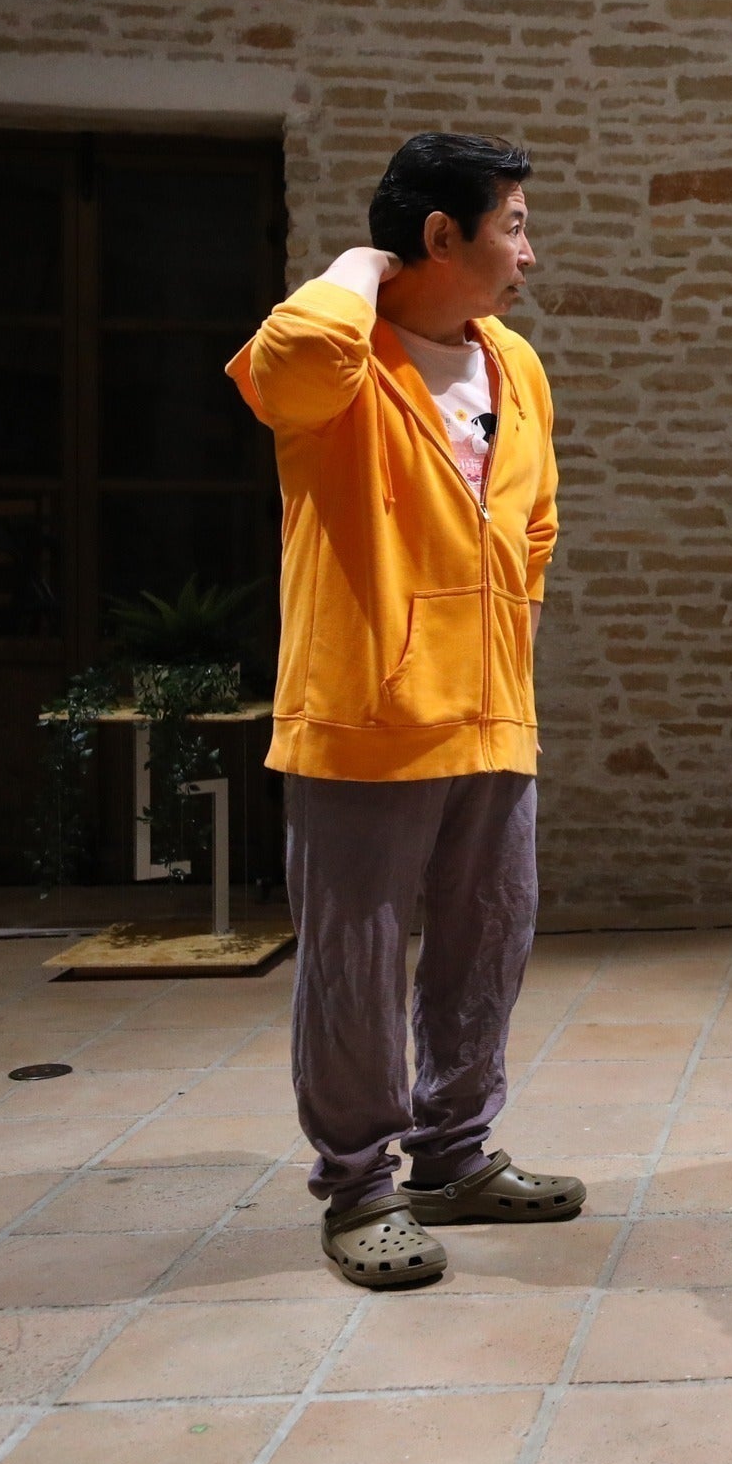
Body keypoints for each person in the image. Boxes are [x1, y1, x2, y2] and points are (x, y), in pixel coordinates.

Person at [228, 132, 581, 1288]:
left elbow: (535, 524)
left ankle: (453, 1156)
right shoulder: (340, 359)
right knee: (358, 963)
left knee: (490, 941)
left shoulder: (516, 364)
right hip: (362, 715)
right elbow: (282, 361)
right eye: (513, 226)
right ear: (440, 236)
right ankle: (358, 1187)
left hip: (490, 709)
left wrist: (503, 645)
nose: (528, 252)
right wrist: (358, 265)